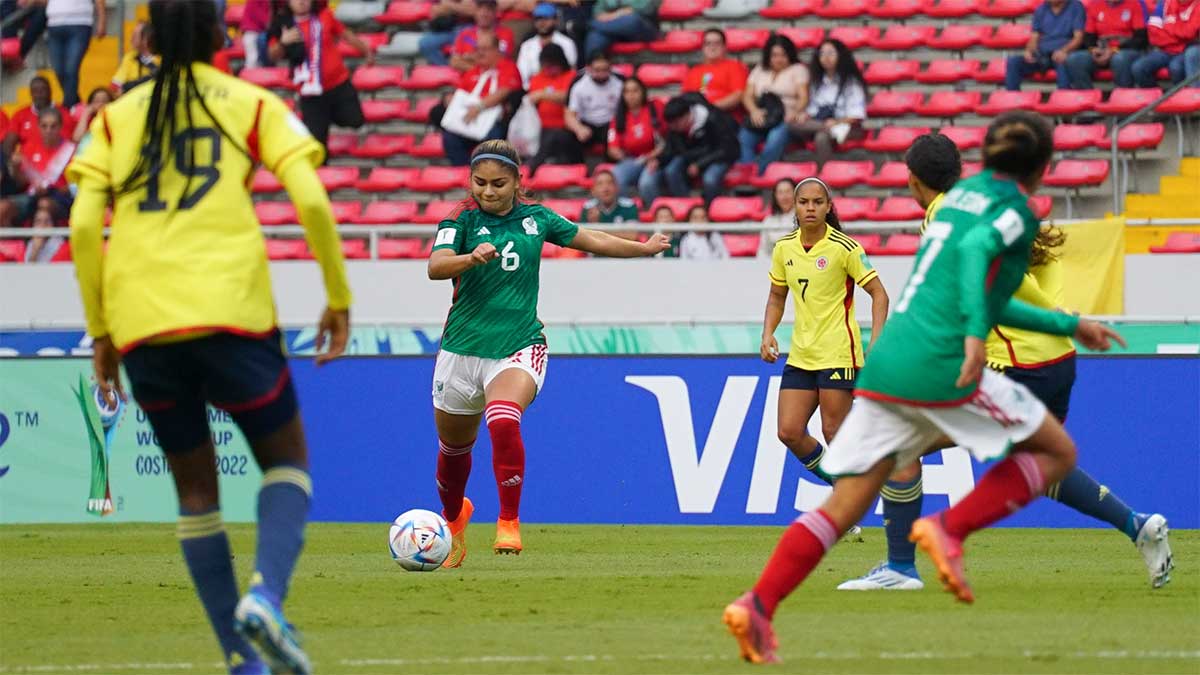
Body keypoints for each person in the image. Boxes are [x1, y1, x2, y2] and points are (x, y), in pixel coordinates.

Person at [722, 111, 1128, 664]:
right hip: (938, 363)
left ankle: (759, 603)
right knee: (1056, 451)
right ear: (1043, 168)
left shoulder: (953, 204)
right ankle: (947, 529)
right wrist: (1041, 326)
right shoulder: (1006, 212)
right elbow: (981, 278)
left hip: (890, 362)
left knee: (848, 499)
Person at [66, 1, 352, 673]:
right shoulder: (249, 102)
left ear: (149, 39)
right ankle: (266, 596)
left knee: (196, 494)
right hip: (231, 311)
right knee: (287, 462)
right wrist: (337, 296)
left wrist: (102, 331)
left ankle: (240, 659)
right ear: (219, 34)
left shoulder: (114, 117)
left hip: (142, 322)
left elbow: (81, 226)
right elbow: (312, 199)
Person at [837, 132, 1174, 592]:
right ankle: (1138, 525)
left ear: (913, 180)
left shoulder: (945, 215)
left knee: (896, 447)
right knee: (1042, 464)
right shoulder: (991, 207)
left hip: (1014, 364)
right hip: (1055, 361)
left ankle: (900, 567)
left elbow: (984, 295)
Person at [429, 139, 669, 567]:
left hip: (519, 344)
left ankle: (508, 520)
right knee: (453, 450)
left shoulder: (537, 218)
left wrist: (643, 248)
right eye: (480, 182)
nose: (488, 191)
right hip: (461, 350)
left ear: (517, 182)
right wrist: (469, 258)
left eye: (498, 184)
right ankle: (453, 520)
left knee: (503, 418)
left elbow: (590, 238)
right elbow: (436, 265)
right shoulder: (460, 219)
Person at [760, 177, 888, 487]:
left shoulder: (845, 247)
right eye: (803, 202)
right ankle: (843, 486)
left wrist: (877, 341)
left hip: (838, 352)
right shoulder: (784, 248)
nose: (810, 208)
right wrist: (767, 333)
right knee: (789, 431)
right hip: (801, 354)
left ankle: (858, 489)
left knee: (833, 432)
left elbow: (879, 294)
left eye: (817, 202)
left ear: (829, 207)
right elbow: (777, 296)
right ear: (794, 206)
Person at [268, 0, 371, 152]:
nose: (302, 2)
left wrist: (366, 51)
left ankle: (329, 116)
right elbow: (272, 56)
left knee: (354, 120)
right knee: (317, 145)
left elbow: (346, 35)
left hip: (339, 84)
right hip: (310, 94)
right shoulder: (283, 25)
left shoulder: (325, 16)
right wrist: (283, 42)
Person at [442, 33, 522, 165]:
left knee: (493, 139)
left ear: (496, 49)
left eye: (484, 49)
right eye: (477, 49)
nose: (479, 53)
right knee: (450, 137)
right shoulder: (474, 70)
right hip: (468, 119)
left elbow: (504, 91)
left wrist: (479, 107)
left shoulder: (508, 67)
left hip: (494, 121)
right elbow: (460, 93)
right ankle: (464, 171)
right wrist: (450, 100)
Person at [738, 34, 809, 175]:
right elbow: (747, 95)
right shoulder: (759, 70)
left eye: (783, 55)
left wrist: (795, 111)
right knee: (743, 139)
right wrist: (753, 111)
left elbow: (804, 97)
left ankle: (759, 175)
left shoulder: (798, 70)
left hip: (785, 118)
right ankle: (748, 174)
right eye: (774, 55)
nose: (779, 59)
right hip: (762, 116)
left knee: (774, 140)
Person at [794, 39, 867, 168]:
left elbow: (857, 116)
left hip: (848, 126)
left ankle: (826, 175)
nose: (826, 57)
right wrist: (806, 115)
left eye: (830, 53)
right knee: (791, 123)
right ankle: (824, 127)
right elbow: (813, 109)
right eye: (822, 53)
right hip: (822, 123)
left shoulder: (852, 82)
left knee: (821, 137)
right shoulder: (817, 81)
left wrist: (836, 122)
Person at [661, 93, 740, 203]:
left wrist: (700, 164)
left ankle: (710, 209)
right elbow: (671, 147)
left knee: (710, 179)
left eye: (676, 124)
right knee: (671, 171)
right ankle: (687, 206)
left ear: (687, 115)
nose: (673, 128)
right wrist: (658, 160)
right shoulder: (674, 125)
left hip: (719, 157)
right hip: (692, 156)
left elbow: (726, 148)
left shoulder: (713, 118)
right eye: (671, 125)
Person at [11, 107, 75, 225]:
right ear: (38, 127)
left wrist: (53, 189)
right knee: (3, 207)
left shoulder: (71, 150)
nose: (48, 130)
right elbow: (22, 182)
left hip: (61, 198)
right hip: (32, 196)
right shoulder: (28, 148)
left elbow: (76, 185)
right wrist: (15, 168)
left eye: (53, 126)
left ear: (60, 127)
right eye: (44, 126)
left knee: (44, 204)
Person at [1064, 0, 1148, 89]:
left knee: (1119, 59)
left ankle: (1123, 95)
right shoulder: (1095, 5)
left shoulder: (1134, 4)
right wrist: (1093, 49)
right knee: (1075, 59)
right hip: (1101, 49)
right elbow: (1088, 36)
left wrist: (1113, 50)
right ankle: (1087, 95)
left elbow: (1140, 39)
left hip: (1124, 50)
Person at [1005, 0, 1087, 90]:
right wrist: (1029, 51)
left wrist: (1064, 51)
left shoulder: (1076, 7)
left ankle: (1064, 97)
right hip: (1042, 54)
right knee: (1013, 62)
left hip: (1064, 53)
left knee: (1063, 63)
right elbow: (1034, 37)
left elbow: (1078, 38)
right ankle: (1012, 97)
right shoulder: (1041, 9)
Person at [607, 76, 664, 204]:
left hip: (655, 158)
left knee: (646, 183)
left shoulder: (655, 107)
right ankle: (627, 210)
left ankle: (653, 211)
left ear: (643, 92)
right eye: (627, 91)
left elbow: (667, 139)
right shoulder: (619, 117)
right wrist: (617, 153)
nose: (631, 95)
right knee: (615, 178)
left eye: (635, 90)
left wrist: (654, 156)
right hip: (632, 160)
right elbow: (612, 147)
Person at [525, 44, 581, 173]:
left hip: (566, 129)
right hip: (540, 129)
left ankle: (533, 167)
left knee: (557, 137)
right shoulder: (537, 78)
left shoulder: (572, 76)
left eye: (552, 66)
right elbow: (531, 98)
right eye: (546, 66)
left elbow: (569, 96)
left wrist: (543, 94)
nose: (548, 69)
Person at [46, 0, 104, 108]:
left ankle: (69, 107)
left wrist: (102, 21)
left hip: (80, 23)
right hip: (54, 24)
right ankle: (76, 103)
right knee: (58, 70)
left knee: (71, 69)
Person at [564, 51, 624, 156]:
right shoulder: (578, 83)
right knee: (567, 138)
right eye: (597, 70)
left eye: (605, 70)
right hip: (587, 123)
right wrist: (579, 129)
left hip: (611, 124)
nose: (601, 74)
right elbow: (569, 115)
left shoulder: (620, 81)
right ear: (588, 69)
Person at [1132, 0, 1200, 86]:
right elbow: (1153, 35)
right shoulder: (1164, 4)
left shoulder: (1198, 5)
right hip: (1165, 50)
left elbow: (1188, 33)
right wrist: (1179, 38)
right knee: (1139, 68)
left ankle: (1181, 93)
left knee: (1176, 67)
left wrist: (1168, 26)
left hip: (1185, 50)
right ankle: (1158, 94)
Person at [683, 29, 749, 113]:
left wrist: (710, 109)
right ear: (702, 48)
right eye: (708, 43)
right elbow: (685, 99)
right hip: (697, 116)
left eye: (717, 43)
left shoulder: (735, 67)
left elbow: (738, 95)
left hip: (724, 115)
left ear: (724, 47)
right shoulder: (693, 72)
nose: (712, 47)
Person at [515, 2, 577, 89]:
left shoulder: (567, 43)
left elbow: (570, 71)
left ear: (556, 20)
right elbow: (522, 74)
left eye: (546, 19)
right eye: (538, 19)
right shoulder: (527, 46)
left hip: (560, 88)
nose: (542, 23)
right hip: (533, 89)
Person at [5, 75, 75, 152]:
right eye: (35, 91)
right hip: (27, 158)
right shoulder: (20, 114)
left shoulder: (64, 113)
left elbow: (73, 141)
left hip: (58, 157)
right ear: (31, 94)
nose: (39, 94)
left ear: (50, 91)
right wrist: (13, 157)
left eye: (43, 89)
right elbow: (9, 143)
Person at [450, 0, 516, 72]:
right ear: (474, 12)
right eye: (480, 9)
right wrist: (479, 70)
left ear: (495, 13)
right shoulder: (465, 35)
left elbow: (500, 59)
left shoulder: (505, 34)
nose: (483, 14)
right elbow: (454, 62)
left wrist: (469, 57)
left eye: (488, 10)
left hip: (496, 77)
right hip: (469, 77)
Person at [583, 0, 660, 60]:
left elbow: (644, 9)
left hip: (642, 29)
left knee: (631, 20)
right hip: (614, 29)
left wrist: (614, 15)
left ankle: (589, 25)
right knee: (595, 36)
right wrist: (618, 14)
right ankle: (591, 68)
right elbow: (598, 13)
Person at [583, 169, 639, 239]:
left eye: (609, 183)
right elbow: (580, 238)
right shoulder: (588, 207)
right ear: (593, 191)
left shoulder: (628, 206)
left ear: (617, 187)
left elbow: (632, 236)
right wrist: (592, 224)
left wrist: (596, 227)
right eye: (600, 184)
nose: (605, 188)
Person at [111, 20, 161, 93]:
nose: (131, 39)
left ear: (146, 39)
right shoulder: (130, 57)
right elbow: (115, 86)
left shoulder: (163, 59)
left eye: (135, 36)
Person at [758, 177, 795, 257]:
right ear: (775, 196)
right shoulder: (768, 221)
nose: (784, 197)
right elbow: (763, 251)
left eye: (788, 192)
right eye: (780, 193)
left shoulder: (804, 219)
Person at [240, 0, 273, 68]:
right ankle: (250, 71)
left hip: (264, 31)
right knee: (253, 57)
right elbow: (258, 14)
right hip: (251, 30)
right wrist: (269, 24)